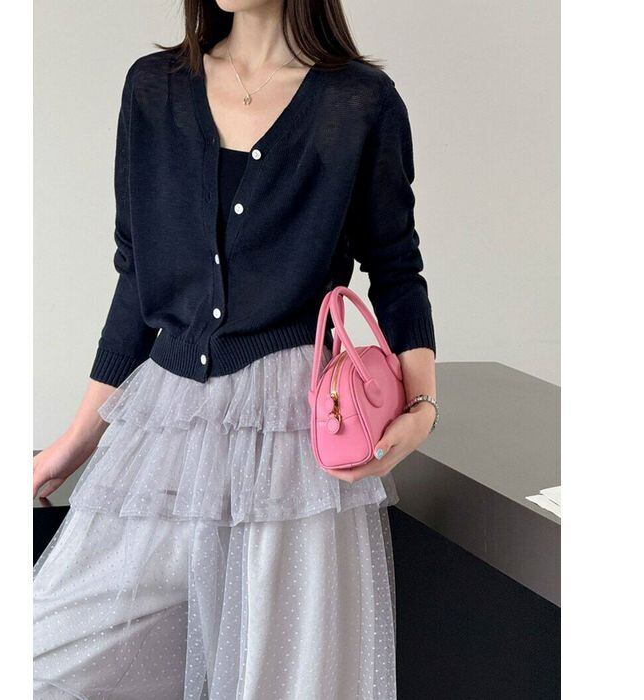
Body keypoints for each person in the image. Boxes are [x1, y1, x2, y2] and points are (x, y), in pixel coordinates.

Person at [33, 0, 437, 697]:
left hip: (293, 441)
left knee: (279, 679)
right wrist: (75, 443)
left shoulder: (359, 103)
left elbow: (396, 268)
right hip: (168, 430)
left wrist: (423, 404)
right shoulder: (155, 88)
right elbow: (138, 281)